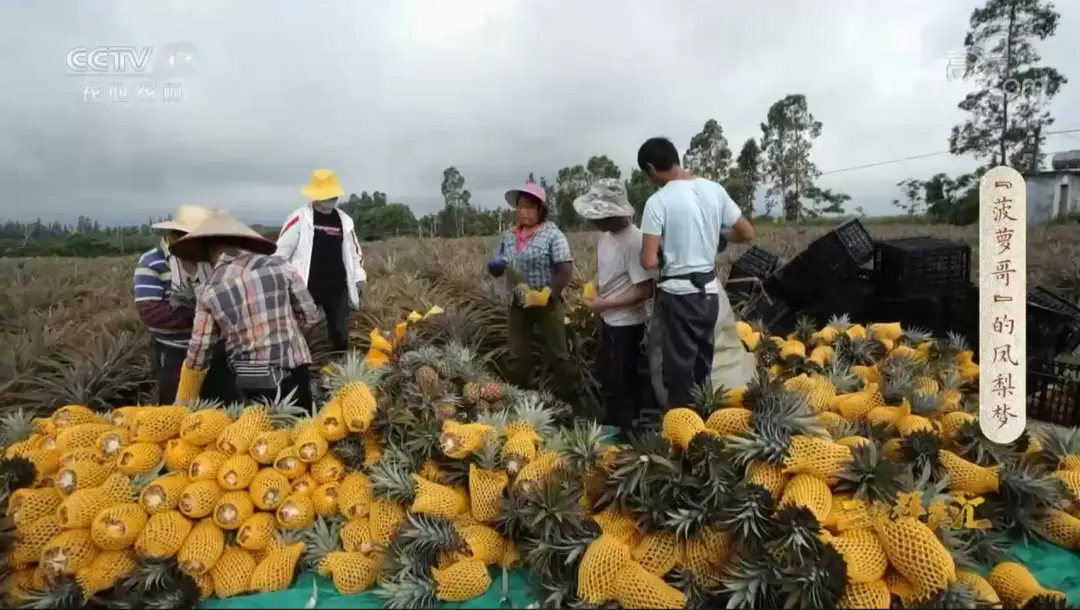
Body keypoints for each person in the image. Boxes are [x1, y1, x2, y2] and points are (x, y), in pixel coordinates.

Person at [637, 136, 756, 408]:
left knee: (678, 371)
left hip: (678, 296)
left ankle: (684, 426)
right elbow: (747, 232)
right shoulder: (714, 190)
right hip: (709, 292)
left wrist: (663, 256)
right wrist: (718, 239)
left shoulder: (658, 202)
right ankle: (709, 417)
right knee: (705, 363)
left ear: (652, 169)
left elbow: (647, 261)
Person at [170, 211, 323, 410]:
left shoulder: (208, 291)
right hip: (292, 369)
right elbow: (309, 315)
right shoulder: (280, 266)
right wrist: (285, 333)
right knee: (303, 431)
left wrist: (183, 401)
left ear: (209, 249)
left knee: (261, 435)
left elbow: (199, 351)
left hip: (249, 378)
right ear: (242, 242)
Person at [135, 204, 238, 405]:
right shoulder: (152, 261)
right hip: (173, 353)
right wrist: (205, 313)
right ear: (177, 235)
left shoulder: (214, 260)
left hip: (216, 350)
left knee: (224, 408)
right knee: (175, 411)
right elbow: (151, 312)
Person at [574, 180, 654, 435]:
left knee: (625, 380)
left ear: (614, 213)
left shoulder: (635, 241)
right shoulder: (605, 235)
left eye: (599, 216)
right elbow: (606, 270)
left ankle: (628, 433)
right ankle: (612, 425)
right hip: (608, 320)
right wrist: (593, 284)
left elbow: (645, 289)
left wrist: (604, 303)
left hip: (628, 325)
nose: (594, 222)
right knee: (608, 376)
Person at [487, 182, 579, 403]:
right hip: (518, 302)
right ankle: (518, 397)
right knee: (517, 354)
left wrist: (549, 292)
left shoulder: (552, 235)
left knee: (558, 353)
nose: (522, 211)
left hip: (547, 302)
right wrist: (495, 265)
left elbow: (564, 269)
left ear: (540, 210)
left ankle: (571, 400)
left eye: (529, 207)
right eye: (519, 207)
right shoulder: (508, 237)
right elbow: (496, 270)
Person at [275, 169, 366, 354]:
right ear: (315, 196)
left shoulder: (344, 221)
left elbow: (354, 253)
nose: (331, 198)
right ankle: (302, 367)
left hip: (338, 287)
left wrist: (359, 278)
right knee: (303, 331)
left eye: (333, 194)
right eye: (326, 194)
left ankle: (338, 363)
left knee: (340, 334)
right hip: (307, 287)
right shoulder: (299, 218)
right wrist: (282, 282)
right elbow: (280, 254)